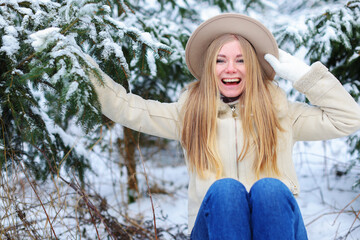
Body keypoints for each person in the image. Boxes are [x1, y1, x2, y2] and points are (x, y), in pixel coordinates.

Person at [85, 13, 360, 239]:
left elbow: (349, 118)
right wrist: (78, 65)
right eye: (221, 60)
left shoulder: (280, 114)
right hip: (215, 231)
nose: (231, 68)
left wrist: (305, 77)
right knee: (225, 190)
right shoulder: (190, 115)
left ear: (253, 68)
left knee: (271, 190)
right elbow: (127, 107)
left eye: (241, 60)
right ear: (208, 67)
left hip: (277, 229)